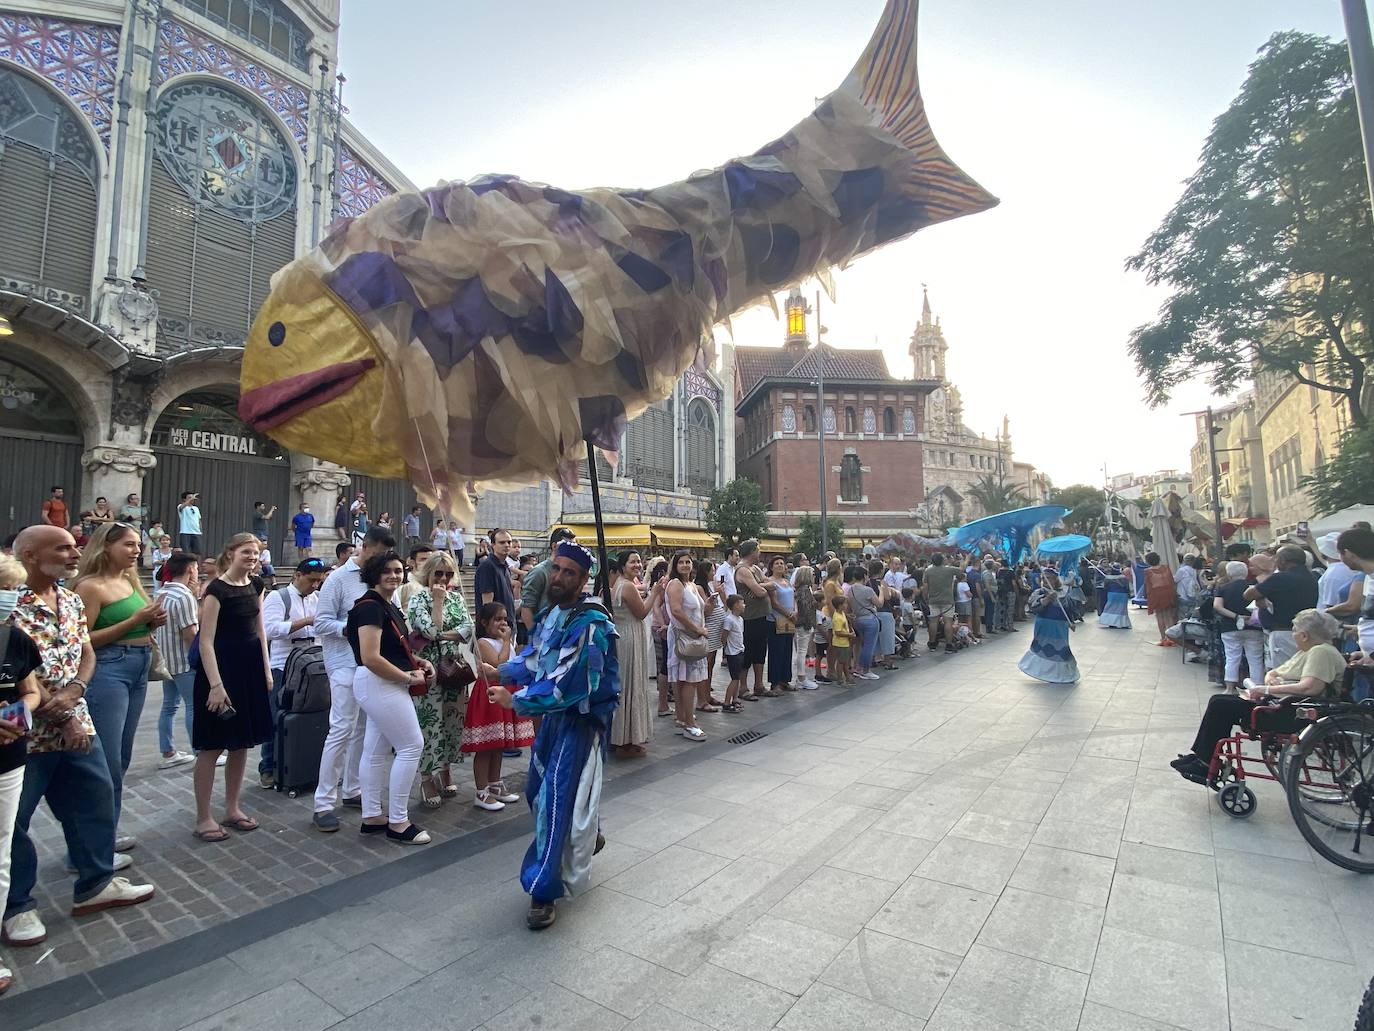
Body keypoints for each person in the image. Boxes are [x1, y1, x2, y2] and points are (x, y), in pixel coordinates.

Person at [5, 525, 155, 950]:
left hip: (75, 718)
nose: (74, 553)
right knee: (14, 818)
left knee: (94, 795)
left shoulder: (69, 598)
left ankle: (95, 882)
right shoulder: (9, 604)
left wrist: (76, 691)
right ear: (31, 555)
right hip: (26, 730)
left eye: (74, 548)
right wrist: (57, 702)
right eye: (62, 548)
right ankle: (17, 904)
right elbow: (16, 667)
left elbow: (84, 649)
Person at [486, 541, 618, 930]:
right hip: (552, 719)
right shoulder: (550, 615)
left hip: (578, 721)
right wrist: (502, 673)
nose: (559, 577)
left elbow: (574, 683)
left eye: (569, 572)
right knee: (536, 790)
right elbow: (536, 661)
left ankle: (543, 891)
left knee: (553, 802)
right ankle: (588, 831)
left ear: (583, 580)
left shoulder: (590, 623)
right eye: (556, 569)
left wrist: (516, 701)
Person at [1171, 608, 1347, 785]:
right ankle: (1203, 757)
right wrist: (1271, 680)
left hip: (1290, 712)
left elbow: (1311, 687)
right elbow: (1275, 672)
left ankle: (1205, 761)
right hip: (1282, 704)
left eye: (1294, 631)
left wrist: (1268, 690)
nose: (1292, 635)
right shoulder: (1310, 650)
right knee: (1219, 700)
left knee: (1221, 705)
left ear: (1304, 635)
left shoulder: (1321, 652)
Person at [74, 522, 166, 845]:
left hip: (138, 667)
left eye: (138, 545)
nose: (136, 550)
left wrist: (151, 622)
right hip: (108, 668)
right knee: (105, 760)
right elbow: (81, 640)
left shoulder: (130, 581)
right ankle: (90, 846)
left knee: (122, 757)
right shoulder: (90, 586)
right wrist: (134, 621)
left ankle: (105, 835)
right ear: (105, 546)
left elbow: (138, 627)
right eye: (128, 545)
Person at [311, 526, 396, 831]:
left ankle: (352, 789)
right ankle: (323, 802)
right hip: (343, 662)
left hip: (370, 664)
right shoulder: (337, 578)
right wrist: (349, 628)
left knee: (363, 728)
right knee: (341, 728)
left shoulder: (379, 580)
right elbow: (320, 622)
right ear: (365, 547)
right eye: (379, 554)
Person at [347, 551, 433, 845]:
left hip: (382, 682)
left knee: (375, 749)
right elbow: (371, 657)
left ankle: (372, 816)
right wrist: (408, 677)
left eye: (398, 570)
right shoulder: (370, 608)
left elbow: (392, 649)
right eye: (387, 571)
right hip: (380, 683)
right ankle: (398, 821)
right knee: (411, 746)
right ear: (374, 574)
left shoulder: (386, 605)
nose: (394, 575)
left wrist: (417, 661)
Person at [190, 534, 272, 841]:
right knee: (212, 745)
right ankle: (203, 816)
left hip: (249, 667)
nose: (252, 557)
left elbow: (260, 630)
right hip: (221, 668)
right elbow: (206, 641)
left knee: (241, 743)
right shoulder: (216, 589)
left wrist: (265, 668)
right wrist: (215, 685)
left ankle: (232, 807)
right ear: (231, 553)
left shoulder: (257, 585)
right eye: (246, 552)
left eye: (256, 552)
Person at [0, 555, 41, 994]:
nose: (10, 598)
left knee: (1, 849)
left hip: (9, 754)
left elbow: (28, 690)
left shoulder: (14, 638)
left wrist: (20, 712)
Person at [405, 551, 473, 806]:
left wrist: (443, 635)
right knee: (429, 721)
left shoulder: (457, 598)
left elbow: (468, 629)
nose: (443, 578)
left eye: (448, 573)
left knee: (452, 719)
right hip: (430, 668)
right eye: (438, 573)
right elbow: (431, 630)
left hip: (454, 667)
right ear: (429, 573)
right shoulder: (417, 598)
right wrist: (437, 602)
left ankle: (445, 769)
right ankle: (426, 778)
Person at [258, 558, 325, 788]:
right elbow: (269, 629)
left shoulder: (317, 598)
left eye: (319, 581)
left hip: (312, 664)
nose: (315, 585)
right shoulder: (279, 597)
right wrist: (305, 621)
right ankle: (268, 766)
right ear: (297, 575)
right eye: (311, 580)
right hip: (283, 664)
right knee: (276, 714)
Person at [464, 603, 535, 809]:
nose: (503, 623)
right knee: (486, 745)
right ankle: (481, 791)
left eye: (505, 619)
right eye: (497, 619)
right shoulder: (483, 642)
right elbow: (498, 664)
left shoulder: (505, 641)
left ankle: (494, 783)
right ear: (484, 623)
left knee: (499, 743)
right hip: (489, 695)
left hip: (507, 691)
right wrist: (506, 642)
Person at [608, 551, 659, 757]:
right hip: (629, 637)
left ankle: (622, 737)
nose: (637, 565)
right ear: (623, 565)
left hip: (625, 636)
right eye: (633, 562)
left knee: (626, 685)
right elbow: (642, 612)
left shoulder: (619, 584)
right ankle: (625, 741)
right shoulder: (627, 585)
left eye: (639, 561)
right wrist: (655, 592)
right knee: (631, 684)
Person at [153, 553, 201, 770]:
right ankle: (200, 751)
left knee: (169, 706)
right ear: (190, 569)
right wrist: (201, 659)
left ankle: (168, 750)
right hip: (183, 661)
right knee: (193, 706)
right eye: (196, 568)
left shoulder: (161, 593)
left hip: (166, 659)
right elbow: (189, 633)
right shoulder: (183, 597)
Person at [1245, 544, 1318, 669]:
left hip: (1284, 631)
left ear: (1283, 560)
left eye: (1276, 558)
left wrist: (1261, 597)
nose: (1274, 562)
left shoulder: (1280, 578)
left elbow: (1248, 594)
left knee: (1283, 671)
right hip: (1305, 630)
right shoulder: (1310, 576)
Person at [667, 551, 712, 738]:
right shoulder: (675, 584)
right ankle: (689, 722)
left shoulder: (691, 584)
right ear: (675, 565)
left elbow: (699, 610)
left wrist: (708, 605)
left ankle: (683, 716)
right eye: (682, 562)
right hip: (685, 636)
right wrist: (697, 629)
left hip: (692, 636)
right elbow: (677, 611)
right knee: (689, 680)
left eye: (688, 562)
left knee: (686, 679)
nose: (686, 565)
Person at [1212, 560, 1264, 694]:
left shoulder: (1223, 588)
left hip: (1230, 627)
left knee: (1232, 657)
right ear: (1246, 573)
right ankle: (1256, 688)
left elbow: (1217, 606)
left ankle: (1229, 688)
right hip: (1254, 626)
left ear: (1229, 574)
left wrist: (1236, 616)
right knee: (1255, 659)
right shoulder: (1254, 587)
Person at [1018, 569, 1079, 684]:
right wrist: (1046, 599)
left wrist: (1071, 621)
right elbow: (1034, 608)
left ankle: (1062, 674)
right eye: (1043, 578)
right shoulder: (1039, 592)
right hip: (1044, 626)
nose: (1045, 581)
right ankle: (1046, 673)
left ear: (1056, 579)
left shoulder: (1064, 593)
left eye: (1048, 578)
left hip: (1060, 627)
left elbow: (1069, 609)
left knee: (1061, 650)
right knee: (1045, 649)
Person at [520, 528, 577, 636]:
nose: (572, 550)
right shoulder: (539, 572)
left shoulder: (572, 571)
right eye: (567, 546)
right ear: (554, 546)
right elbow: (526, 609)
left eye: (574, 546)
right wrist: (537, 639)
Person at [734, 540, 772, 700]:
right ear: (752, 552)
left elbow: (768, 584)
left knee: (760, 651)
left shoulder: (755, 568)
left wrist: (762, 586)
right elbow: (760, 591)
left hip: (761, 615)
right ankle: (743, 688)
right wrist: (762, 586)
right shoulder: (742, 570)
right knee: (748, 652)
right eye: (758, 550)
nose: (760, 553)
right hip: (749, 617)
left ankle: (759, 685)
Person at [763, 555, 796, 693]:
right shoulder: (770, 582)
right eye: (776, 563)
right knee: (776, 651)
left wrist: (795, 611)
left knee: (787, 650)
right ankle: (775, 682)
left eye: (782, 563)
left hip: (789, 620)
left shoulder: (787, 581)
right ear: (771, 567)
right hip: (776, 620)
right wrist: (788, 613)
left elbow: (793, 598)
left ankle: (785, 679)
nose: (780, 565)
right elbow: (774, 603)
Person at [922, 553, 957, 652]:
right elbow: (962, 570)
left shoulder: (928, 571)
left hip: (933, 600)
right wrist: (966, 559)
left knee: (933, 622)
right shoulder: (949, 569)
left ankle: (932, 643)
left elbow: (925, 586)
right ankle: (949, 645)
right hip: (947, 600)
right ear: (942, 560)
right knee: (948, 622)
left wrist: (926, 597)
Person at [476, 527, 515, 616]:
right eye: (502, 542)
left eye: (509, 542)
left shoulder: (505, 566)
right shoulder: (487, 566)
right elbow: (487, 605)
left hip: (508, 624)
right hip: (496, 626)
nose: (506, 545)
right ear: (493, 544)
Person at [793, 565, 819, 689]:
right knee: (802, 651)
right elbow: (805, 608)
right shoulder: (804, 590)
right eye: (813, 574)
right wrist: (809, 623)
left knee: (802, 651)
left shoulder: (802, 589)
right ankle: (801, 677)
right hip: (804, 623)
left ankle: (801, 677)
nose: (814, 577)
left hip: (804, 622)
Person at [721, 595, 746, 711]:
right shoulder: (729, 620)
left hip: (740, 651)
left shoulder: (740, 619)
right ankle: (726, 702)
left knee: (738, 677)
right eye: (742, 603)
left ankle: (735, 699)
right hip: (733, 653)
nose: (744, 605)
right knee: (735, 678)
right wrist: (725, 650)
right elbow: (724, 636)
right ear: (736, 605)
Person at [397, 543, 435, 613]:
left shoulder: (437, 583)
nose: (428, 563)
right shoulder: (403, 584)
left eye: (430, 560)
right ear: (412, 562)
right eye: (423, 559)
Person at [1098, 563, 1133, 629]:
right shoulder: (1124, 578)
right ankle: (1123, 623)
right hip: (1123, 594)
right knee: (1122, 609)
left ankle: (1111, 622)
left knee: (1110, 608)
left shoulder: (1108, 578)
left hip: (1112, 594)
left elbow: (1105, 587)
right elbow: (1127, 586)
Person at [828, 596, 853, 686]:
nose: (846, 605)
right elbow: (838, 632)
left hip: (844, 642)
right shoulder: (837, 618)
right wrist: (849, 635)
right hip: (840, 643)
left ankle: (847, 677)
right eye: (844, 604)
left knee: (844, 661)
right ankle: (840, 679)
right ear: (839, 606)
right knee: (841, 662)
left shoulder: (841, 613)